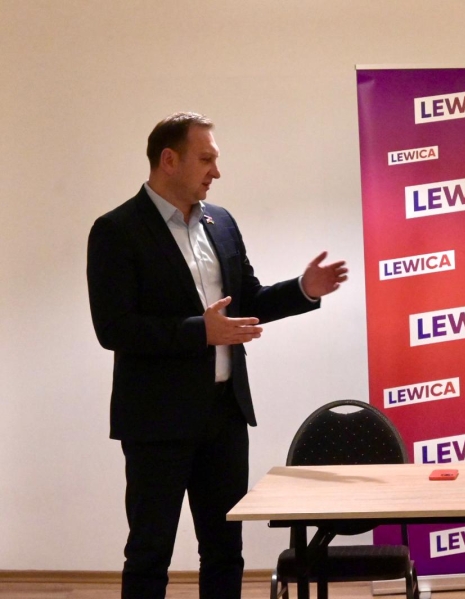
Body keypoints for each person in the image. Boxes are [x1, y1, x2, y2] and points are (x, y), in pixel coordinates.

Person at [87, 112, 348, 599]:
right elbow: (113, 328)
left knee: (226, 550)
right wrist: (199, 332)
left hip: (224, 415)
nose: (216, 172)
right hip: (156, 422)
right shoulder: (116, 230)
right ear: (169, 160)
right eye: (206, 159)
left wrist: (303, 289)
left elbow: (247, 301)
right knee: (149, 553)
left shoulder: (221, 223)